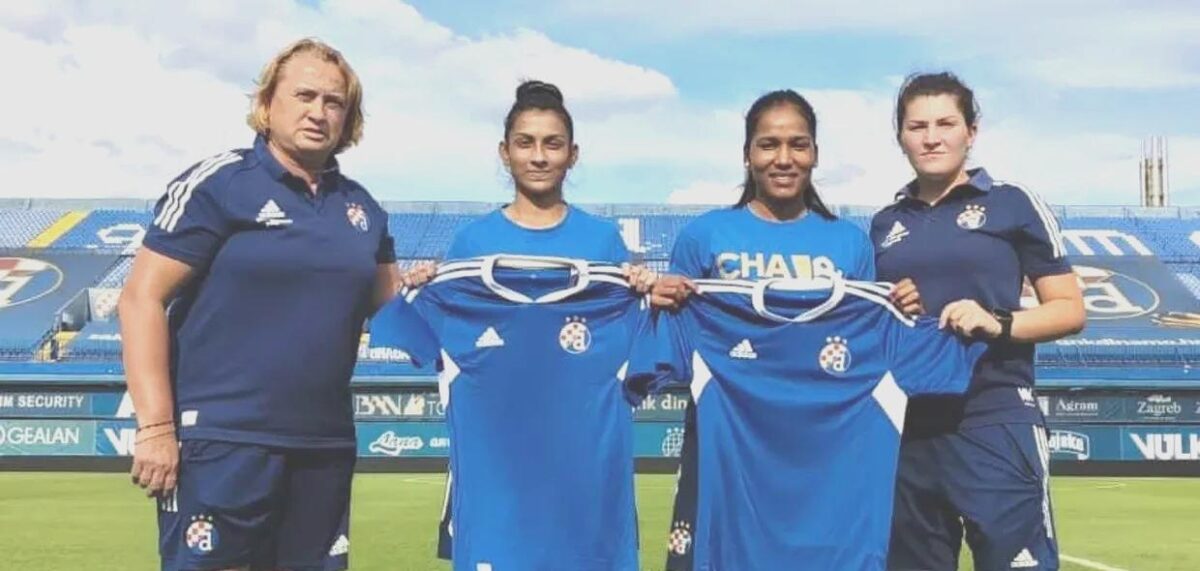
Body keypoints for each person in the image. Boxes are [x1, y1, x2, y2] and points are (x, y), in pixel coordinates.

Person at [119, 38, 398, 571]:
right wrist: (155, 428)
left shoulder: (364, 210)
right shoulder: (220, 184)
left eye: (334, 102)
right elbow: (140, 299)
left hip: (323, 447)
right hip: (221, 443)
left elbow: (397, 314)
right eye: (304, 96)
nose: (318, 112)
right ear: (267, 103)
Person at [650, 89, 919, 570]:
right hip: (725, 449)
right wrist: (661, 298)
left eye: (798, 144)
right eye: (768, 144)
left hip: (821, 454)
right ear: (747, 154)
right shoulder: (704, 237)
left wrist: (899, 305)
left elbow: (868, 341)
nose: (783, 158)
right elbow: (673, 339)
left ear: (815, 153)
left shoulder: (849, 244)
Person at [396, 80, 655, 568]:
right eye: (526, 143)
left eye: (552, 144)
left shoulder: (604, 243)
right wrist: (420, 288)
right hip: (498, 485)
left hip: (585, 484)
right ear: (505, 152)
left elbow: (642, 345)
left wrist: (643, 288)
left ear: (573, 154)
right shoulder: (471, 244)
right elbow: (418, 331)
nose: (539, 156)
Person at [872, 72, 1085, 571]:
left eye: (945, 123)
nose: (931, 137)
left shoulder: (1012, 202)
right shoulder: (884, 224)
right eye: (917, 126)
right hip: (908, 430)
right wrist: (894, 305)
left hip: (994, 417)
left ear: (972, 131)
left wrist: (997, 321)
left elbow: (1070, 309)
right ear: (900, 137)